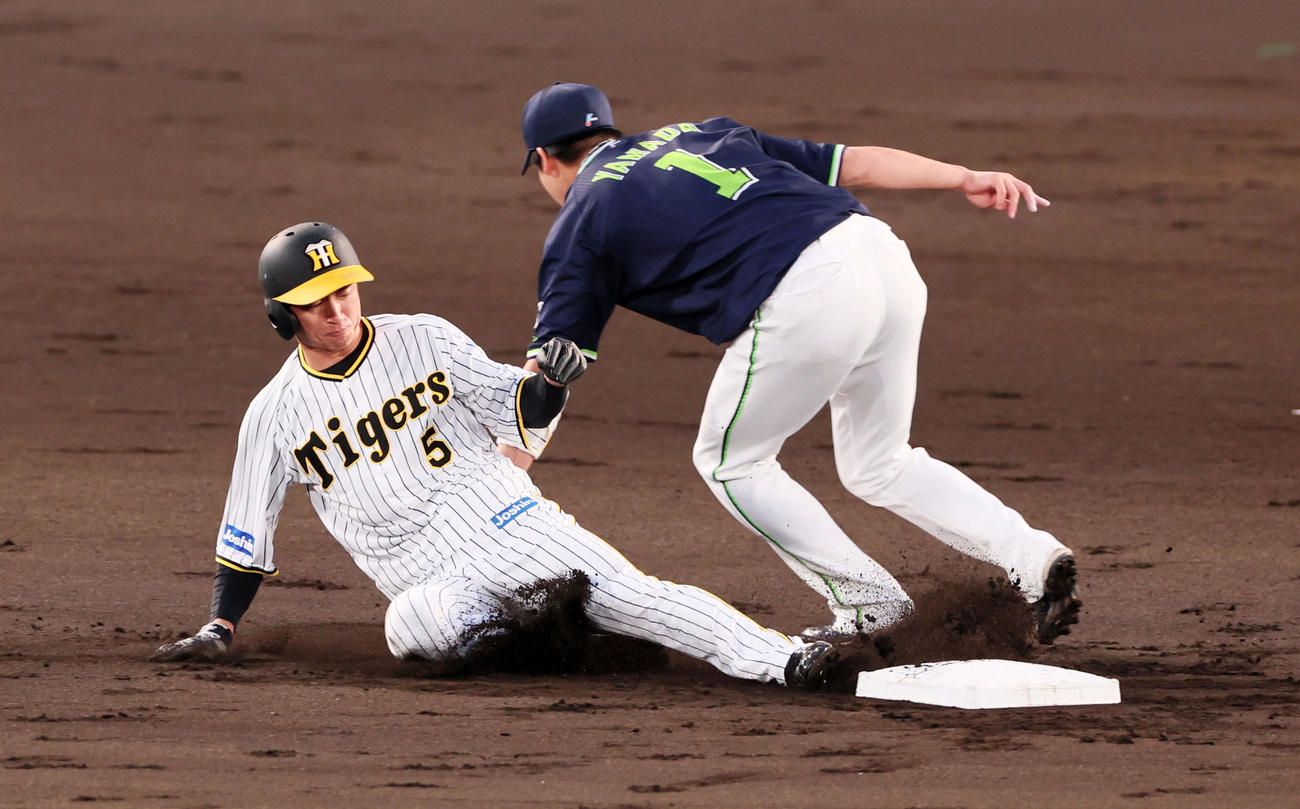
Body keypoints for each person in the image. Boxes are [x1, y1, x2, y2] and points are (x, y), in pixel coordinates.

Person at [150, 221, 842, 693]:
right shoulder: (273, 415)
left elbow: (524, 408)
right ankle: (558, 635)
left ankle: (787, 660)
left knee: (640, 596)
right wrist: (220, 625)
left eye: (344, 290)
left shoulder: (425, 338)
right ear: (282, 317)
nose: (337, 309)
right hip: (438, 588)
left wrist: (553, 381)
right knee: (408, 627)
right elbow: (245, 535)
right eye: (314, 302)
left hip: (512, 526)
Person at [513, 82, 1081, 644]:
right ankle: (1032, 558)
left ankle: (871, 606)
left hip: (809, 290)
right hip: (879, 252)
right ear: (607, 129)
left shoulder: (582, 214)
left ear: (544, 158)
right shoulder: (704, 133)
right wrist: (963, 177)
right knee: (881, 461)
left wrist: (499, 486)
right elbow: (853, 163)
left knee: (730, 462)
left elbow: (546, 384)